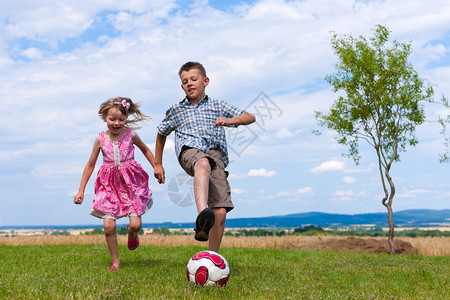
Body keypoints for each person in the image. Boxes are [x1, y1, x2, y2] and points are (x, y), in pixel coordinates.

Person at [154, 61, 255, 253]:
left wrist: (229, 121)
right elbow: (161, 133)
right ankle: (202, 216)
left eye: (194, 79)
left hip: (215, 155)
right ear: (181, 86)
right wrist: (158, 164)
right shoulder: (177, 109)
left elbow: (250, 117)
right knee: (202, 163)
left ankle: (212, 257)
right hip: (189, 151)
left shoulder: (218, 105)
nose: (189, 84)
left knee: (220, 212)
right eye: (185, 81)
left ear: (205, 81)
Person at [74, 97, 155, 270]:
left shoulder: (131, 135)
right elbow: (90, 165)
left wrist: (157, 167)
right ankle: (115, 262)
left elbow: (146, 150)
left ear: (126, 118)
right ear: (104, 118)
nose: (117, 123)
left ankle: (131, 233)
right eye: (112, 119)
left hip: (131, 184)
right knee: (109, 226)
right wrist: (81, 190)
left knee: (136, 224)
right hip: (109, 186)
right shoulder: (100, 139)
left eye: (121, 119)